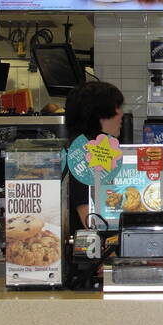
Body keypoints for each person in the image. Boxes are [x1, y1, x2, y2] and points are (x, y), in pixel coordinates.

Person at [64, 81, 125, 229]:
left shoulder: (80, 146)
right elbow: (89, 219)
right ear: (100, 114)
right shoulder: (85, 153)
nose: (121, 114)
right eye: (117, 108)